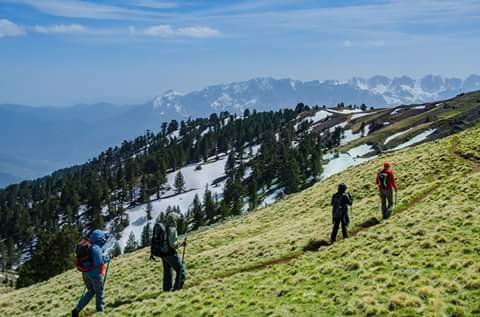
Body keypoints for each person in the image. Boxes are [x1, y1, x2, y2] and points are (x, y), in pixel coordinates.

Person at [72, 230, 109, 317]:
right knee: (99, 292)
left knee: (91, 291)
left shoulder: (88, 246)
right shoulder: (96, 248)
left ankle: (76, 310)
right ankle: (100, 311)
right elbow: (99, 263)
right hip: (95, 274)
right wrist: (106, 259)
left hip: (85, 273)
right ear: (99, 239)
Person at [151, 212, 186, 292]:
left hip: (163, 253)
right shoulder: (172, 228)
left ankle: (167, 289)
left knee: (168, 272)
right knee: (180, 269)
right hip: (170, 253)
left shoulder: (164, 226)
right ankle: (177, 289)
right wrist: (181, 244)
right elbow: (173, 244)